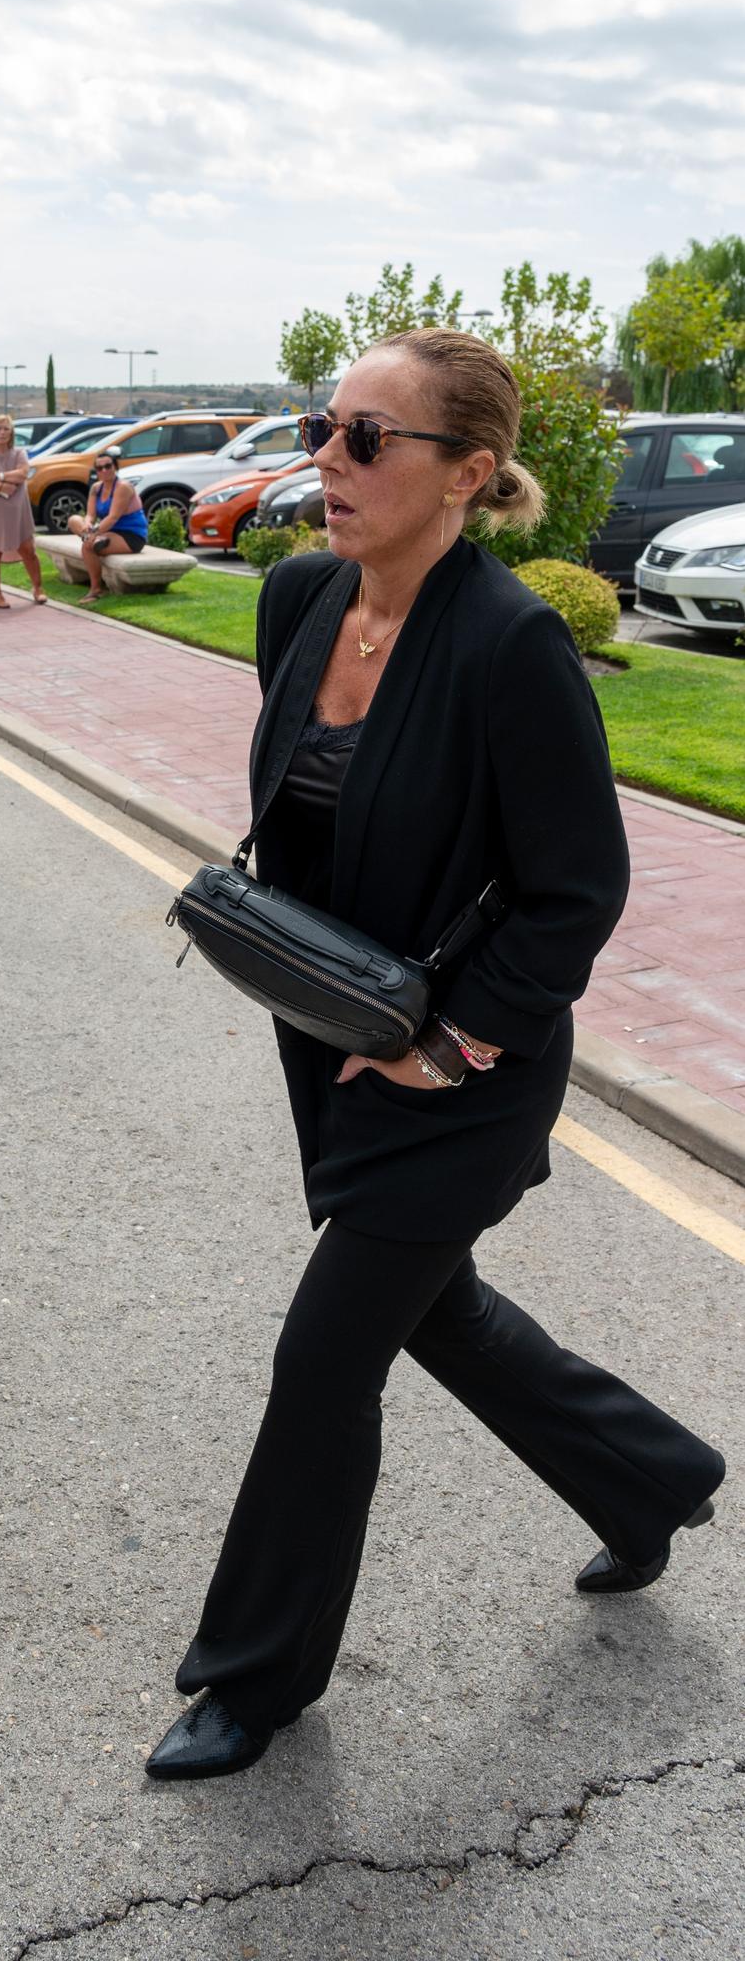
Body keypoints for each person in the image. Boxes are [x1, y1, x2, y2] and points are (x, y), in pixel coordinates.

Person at [146, 328, 725, 1781]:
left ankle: (253, 1679)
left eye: (366, 440)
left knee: (322, 1357)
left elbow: (574, 890)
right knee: (431, 1312)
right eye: (322, 426)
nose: (326, 462)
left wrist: (452, 1045)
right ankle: (648, 1475)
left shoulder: (512, 646)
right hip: (331, 1046)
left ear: (467, 474)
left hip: (459, 1074)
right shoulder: (294, 601)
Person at [0, 412, 46, 608]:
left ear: (12, 432)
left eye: (6, 428)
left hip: (17, 512)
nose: (2, 432)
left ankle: (38, 588)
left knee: (28, 550)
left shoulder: (19, 454)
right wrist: (2, 487)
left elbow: (22, 474)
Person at [66, 451, 148, 602]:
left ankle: (96, 589)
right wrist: (88, 524)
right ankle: (93, 540)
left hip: (130, 535)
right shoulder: (96, 488)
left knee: (87, 547)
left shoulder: (123, 487)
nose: (104, 470)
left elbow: (112, 518)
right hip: (108, 531)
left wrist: (93, 533)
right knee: (74, 520)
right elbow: (90, 514)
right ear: (96, 471)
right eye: (99, 468)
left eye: (108, 466)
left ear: (115, 467)